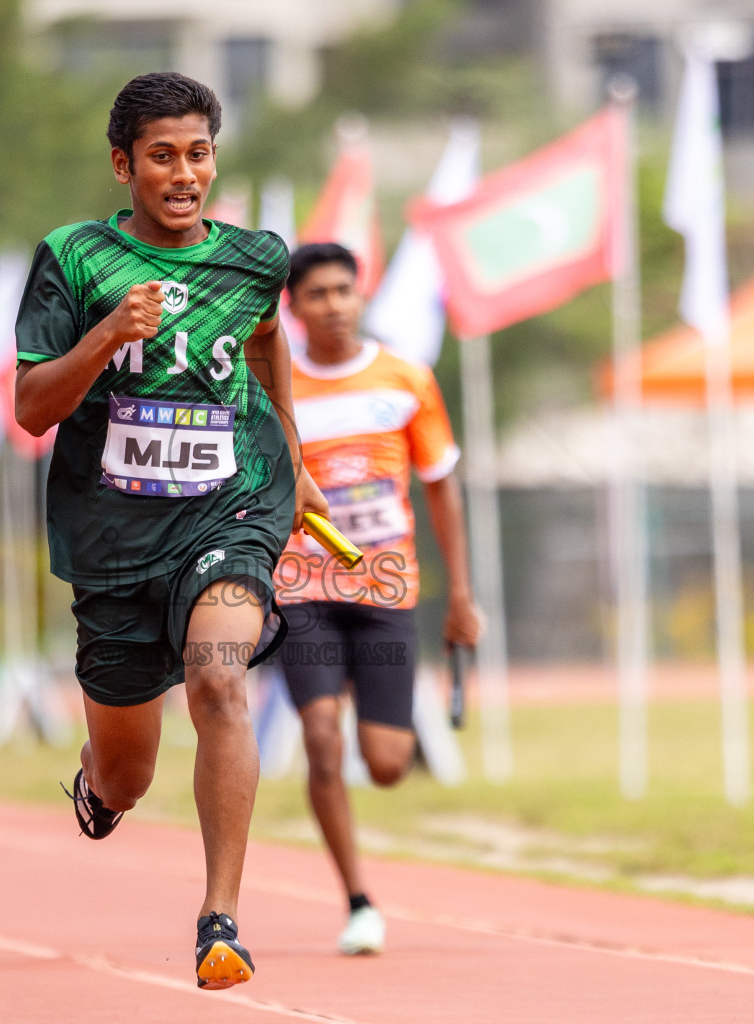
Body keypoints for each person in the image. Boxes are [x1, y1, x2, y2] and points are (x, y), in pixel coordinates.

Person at [11, 71, 326, 991]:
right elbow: (33, 408)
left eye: (199, 153)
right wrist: (108, 333)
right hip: (110, 538)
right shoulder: (74, 259)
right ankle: (99, 782)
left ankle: (218, 919)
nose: (184, 173)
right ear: (124, 166)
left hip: (230, 509)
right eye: (162, 157)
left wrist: (295, 458)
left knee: (219, 681)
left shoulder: (257, 259)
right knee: (127, 776)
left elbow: (268, 344)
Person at [274, 242, 482, 955]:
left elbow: (441, 485)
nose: (333, 305)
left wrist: (461, 595)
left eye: (343, 291)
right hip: (300, 589)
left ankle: (366, 708)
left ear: (361, 297)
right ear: (292, 307)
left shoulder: (406, 379)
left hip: (386, 591)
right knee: (322, 741)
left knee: (388, 763)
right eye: (317, 295)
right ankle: (358, 900)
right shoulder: (273, 387)